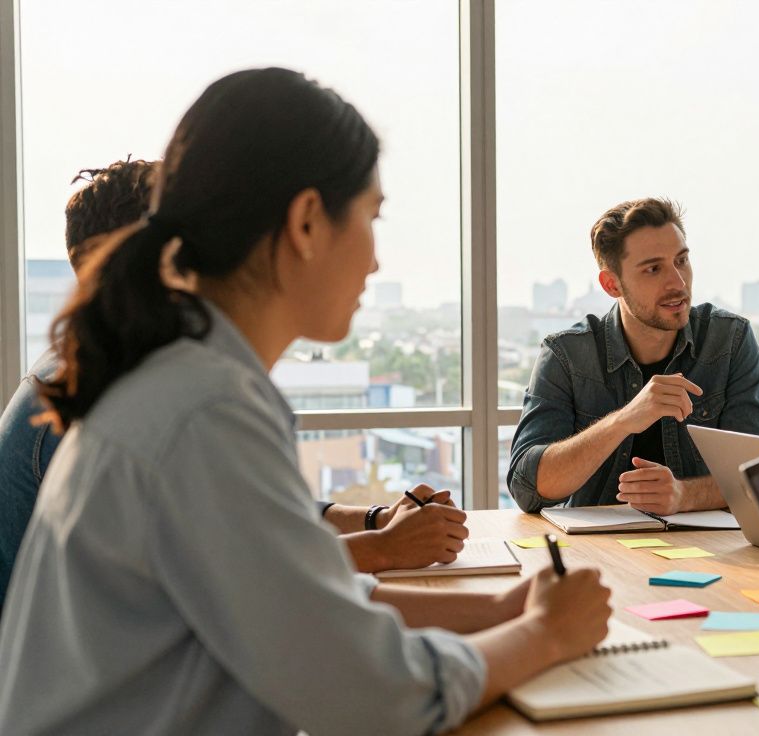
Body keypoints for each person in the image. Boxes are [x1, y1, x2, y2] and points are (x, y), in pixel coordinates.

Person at [0, 68, 611, 735]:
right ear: (307, 222)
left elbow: (298, 599)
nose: (375, 263)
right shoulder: (204, 410)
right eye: (372, 218)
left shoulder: (183, 382)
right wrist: (547, 634)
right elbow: (374, 697)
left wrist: (504, 611)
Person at [0, 162, 466, 609]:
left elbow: (240, 518)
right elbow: (222, 574)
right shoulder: (102, 392)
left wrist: (375, 521)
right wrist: (383, 548)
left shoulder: (102, 362)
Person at [507, 197, 759, 515]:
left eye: (681, 260)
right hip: (600, 545)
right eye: (653, 269)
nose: (678, 283)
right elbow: (527, 489)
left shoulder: (729, 340)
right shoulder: (567, 355)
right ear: (612, 284)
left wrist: (684, 495)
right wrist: (624, 420)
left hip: (704, 544)